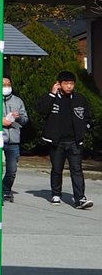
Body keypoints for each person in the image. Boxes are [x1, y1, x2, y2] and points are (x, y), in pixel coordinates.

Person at [44, 70, 92, 209]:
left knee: (76, 170)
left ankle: (80, 198)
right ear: (59, 84)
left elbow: (87, 116)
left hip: (75, 142)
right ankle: (56, 194)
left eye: (72, 83)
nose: (69, 86)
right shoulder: (52, 98)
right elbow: (42, 110)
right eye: (66, 83)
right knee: (57, 169)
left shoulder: (80, 99)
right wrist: (52, 94)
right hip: (57, 142)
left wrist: (84, 129)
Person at [0, 76, 28, 202]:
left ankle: (6, 190)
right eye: (3, 84)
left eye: (8, 84)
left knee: (12, 170)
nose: (6, 87)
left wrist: (18, 118)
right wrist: (0, 121)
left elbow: (25, 119)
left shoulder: (17, 101)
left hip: (14, 140)